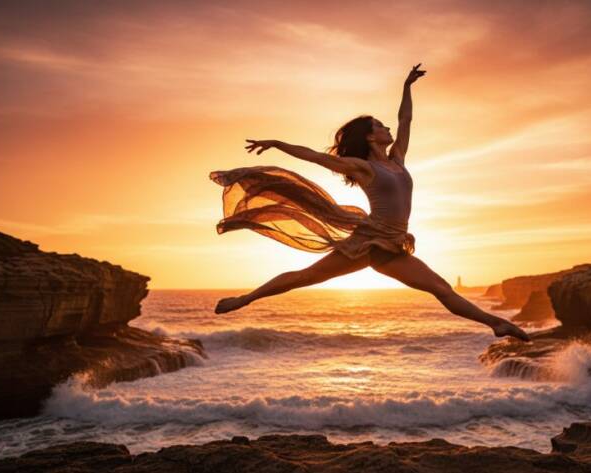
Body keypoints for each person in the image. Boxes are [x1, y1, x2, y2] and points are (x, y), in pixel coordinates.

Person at [209, 64, 530, 342]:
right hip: (369, 241)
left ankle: (496, 324)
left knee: (442, 288)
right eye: (380, 125)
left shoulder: (397, 159)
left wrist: (406, 87)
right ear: (369, 136)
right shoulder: (363, 167)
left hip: (392, 244)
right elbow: (317, 157)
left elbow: (405, 121)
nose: (387, 127)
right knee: (306, 277)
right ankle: (245, 299)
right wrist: (278, 143)